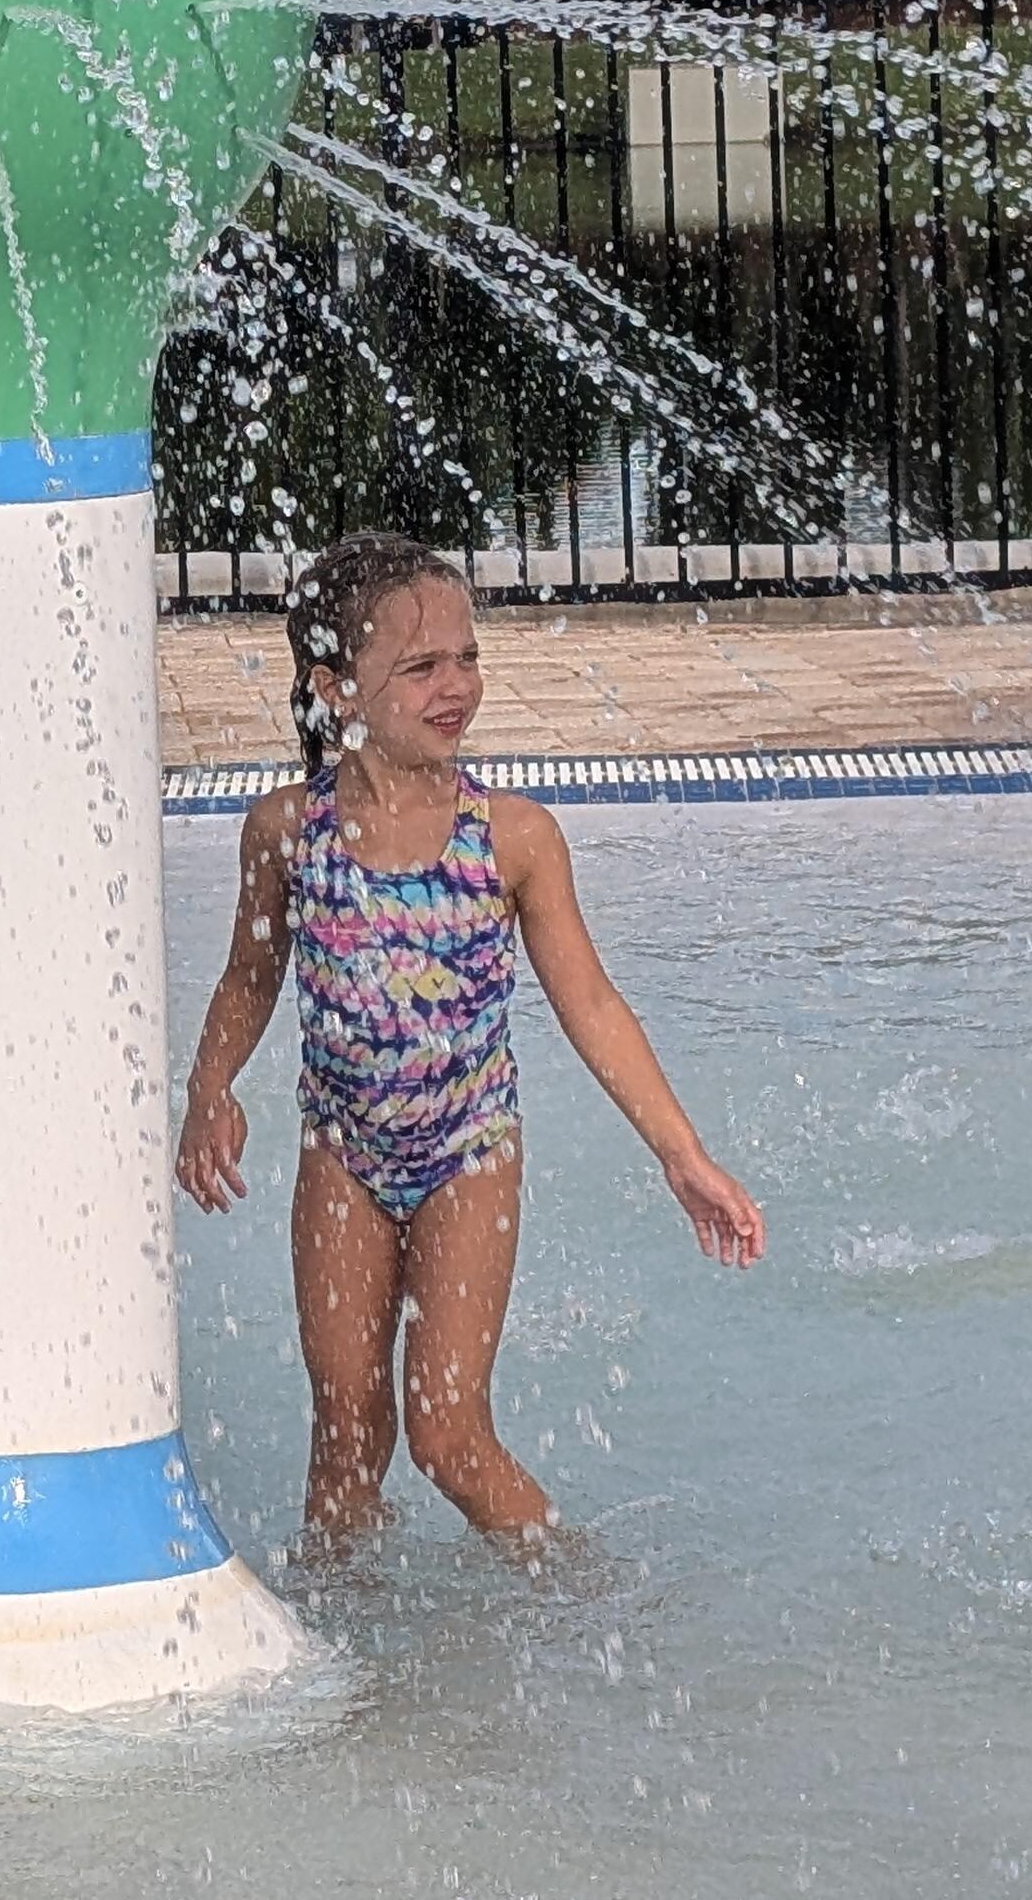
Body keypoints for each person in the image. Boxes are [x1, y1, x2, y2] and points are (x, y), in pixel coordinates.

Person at [176, 531, 761, 1552]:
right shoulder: (288, 832)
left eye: (467, 657)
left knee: (446, 1434)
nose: (455, 686)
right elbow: (250, 976)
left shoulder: (511, 837)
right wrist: (210, 1088)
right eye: (421, 667)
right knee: (347, 1431)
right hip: (342, 1155)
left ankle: (578, 1592)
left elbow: (591, 1003)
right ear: (337, 689)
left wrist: (682, 1154)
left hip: (468, 1156)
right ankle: (343, 1623)